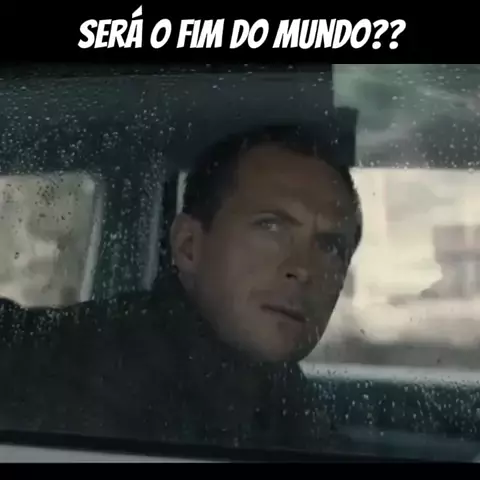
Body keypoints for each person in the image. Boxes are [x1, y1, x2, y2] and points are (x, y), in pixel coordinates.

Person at [0, 122, 362, 452]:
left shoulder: (272, 382)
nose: (304, 269)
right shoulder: (88, 374)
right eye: (271, 227)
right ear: (189, 246)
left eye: (330, 247)